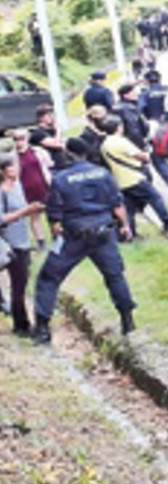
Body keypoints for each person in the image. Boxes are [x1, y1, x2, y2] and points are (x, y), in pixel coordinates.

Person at [30, 138, 137, 345]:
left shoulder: (61, 179)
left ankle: (42, 328)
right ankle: (127, 319)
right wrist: (125, 225)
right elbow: (116, 203)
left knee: (48, 278)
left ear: (68, 154)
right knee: (114, 275)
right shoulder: (102, 173)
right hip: (104, 233)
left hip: (74, 236)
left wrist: (56, 238)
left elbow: (54, 215)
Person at [98, 114, 168, 237]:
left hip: (120, 180)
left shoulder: (104, 144)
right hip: (134, 177)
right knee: (155, 198)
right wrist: (146, 154)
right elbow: (141, 156)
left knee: (130, 208)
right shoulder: (121, 142)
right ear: (119, 127)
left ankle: (130, 232)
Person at [1, 153, 43, 335]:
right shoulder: (2, 191)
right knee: (17, 286)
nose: (17, 169)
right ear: (3, 171)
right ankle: (21, 325)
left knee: (21, 284)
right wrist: (25, 211)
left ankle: (21, 321)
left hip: (22, 241)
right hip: (9, 244)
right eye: (13, 167)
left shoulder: (18, 186)